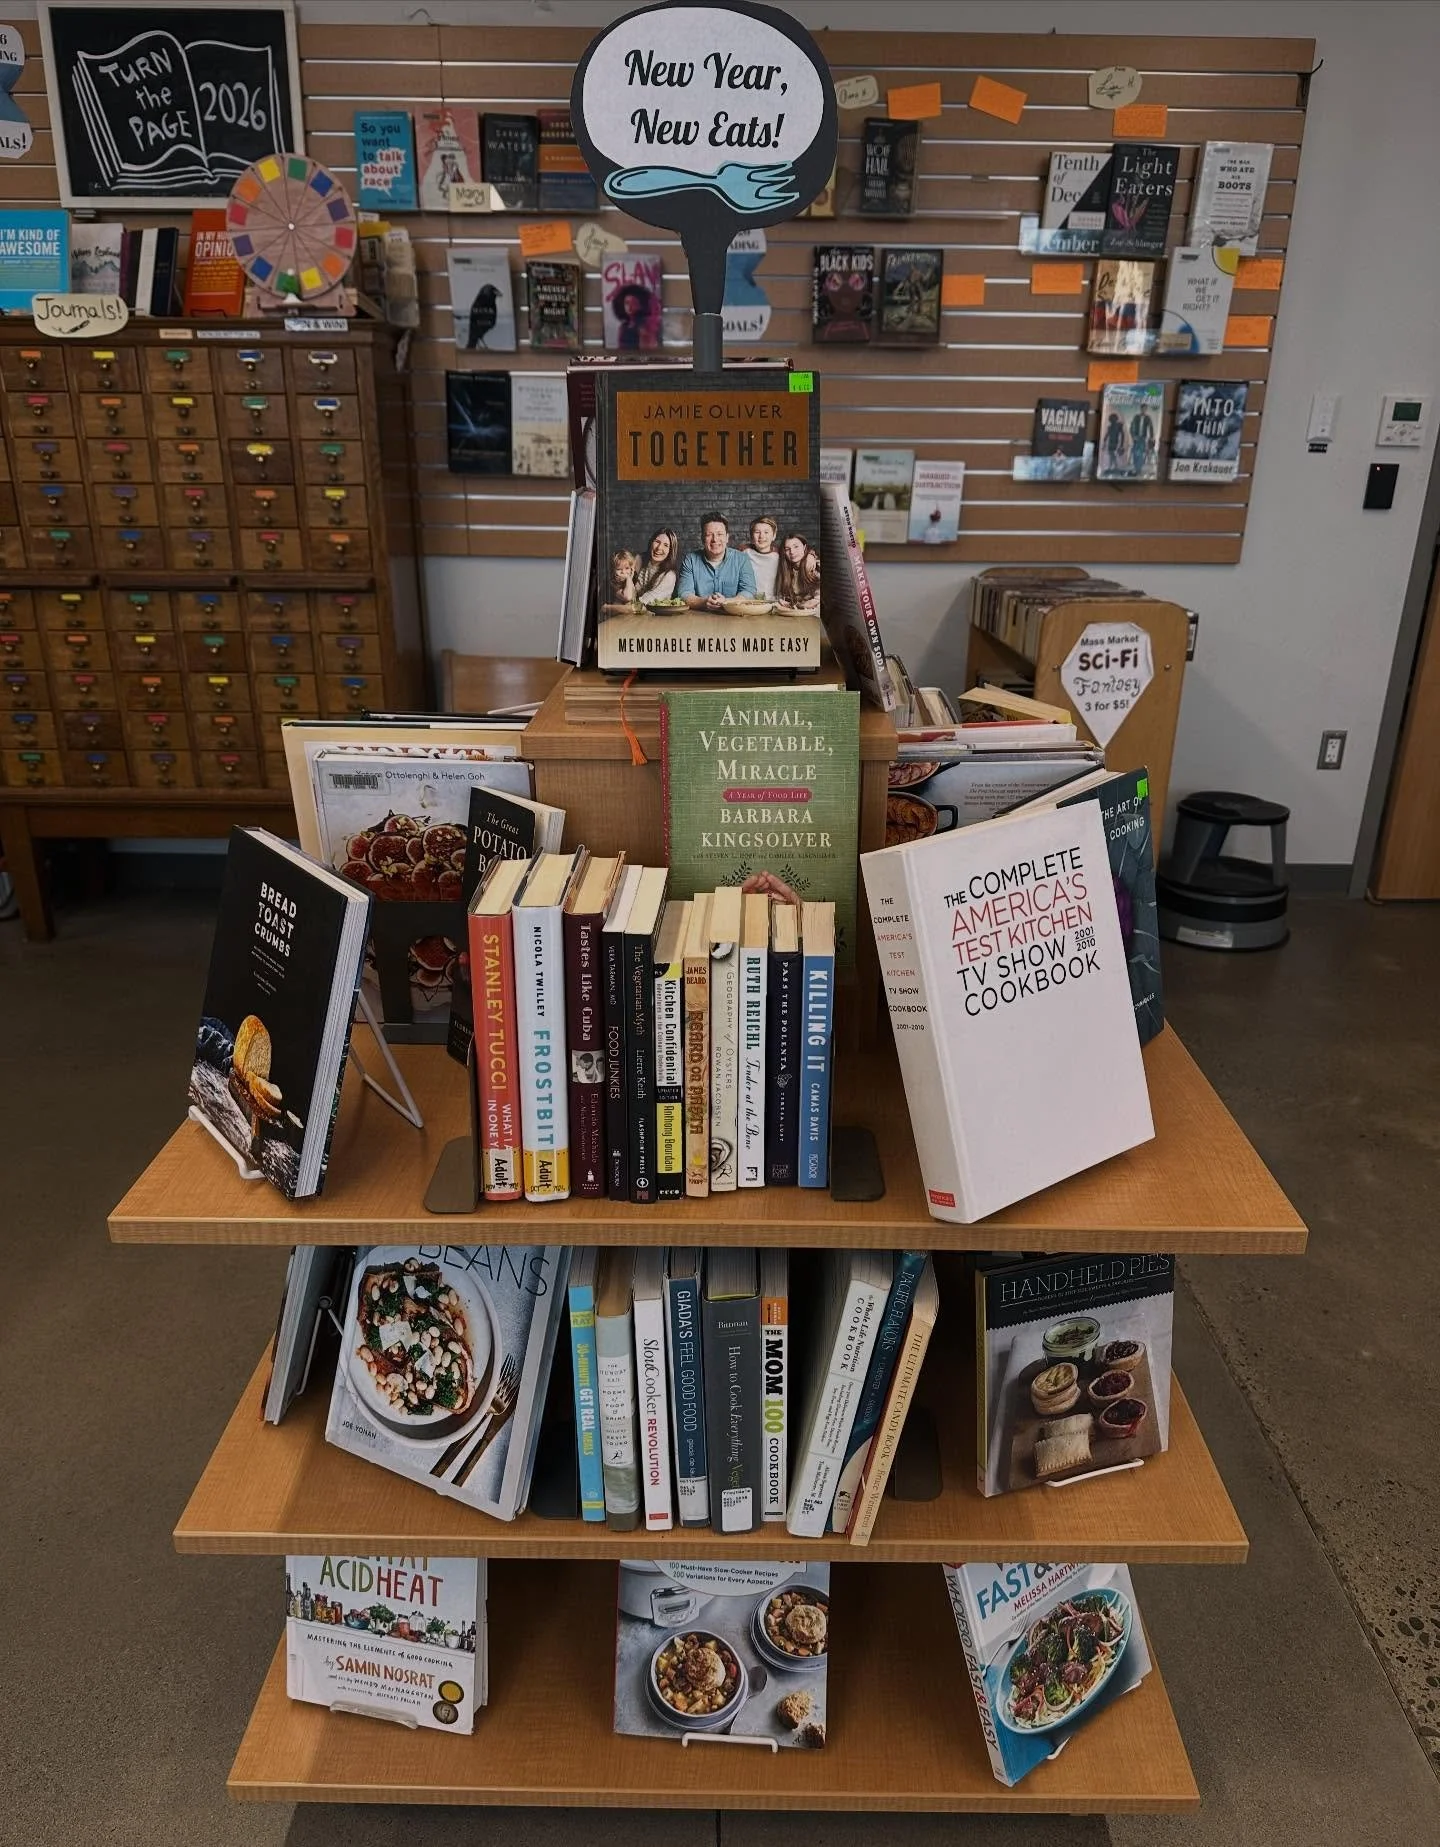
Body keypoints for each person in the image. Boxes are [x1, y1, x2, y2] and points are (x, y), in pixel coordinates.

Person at [676, 514, 757, 608]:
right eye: (709, 535)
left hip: (734, 617)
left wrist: (726, 602)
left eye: (720, 534)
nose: (715, 539)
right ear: (702, 538)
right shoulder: (690, 560)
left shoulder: (742, 559)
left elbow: (749, 591)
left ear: (727, 537)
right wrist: (703, 602)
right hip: (699, 618)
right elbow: (683, 593)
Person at [633, 529, 680, 604]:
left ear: (670, 551)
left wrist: (608, 607)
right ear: (651, 543)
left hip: (654, 614)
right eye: (657, 542)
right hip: (631, 611)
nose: (659, 548)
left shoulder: (669, 576)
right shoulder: (639, 560)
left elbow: (642, 604)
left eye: (666, 545)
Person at [744, 514, 781, 600]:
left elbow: (799, 553)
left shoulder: (780, 555)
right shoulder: (744, 552)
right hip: (749, 603)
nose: (762, 536)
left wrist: (811, 555)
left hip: (773, 603)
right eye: (757, 532)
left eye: (766, 532)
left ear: (774, 535)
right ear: (752, 537)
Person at [774, 532, 813, 611]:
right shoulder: (786, 569)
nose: (792, 552)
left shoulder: (813, 565)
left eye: (796, 547)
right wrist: (782, 601)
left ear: (804, 547)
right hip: (795, 612)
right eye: (787, 549)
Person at [611, 283, 655, 350]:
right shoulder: (623, 327)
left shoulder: (644, 327)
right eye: (627, 303)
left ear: (641, 304)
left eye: (634, 303)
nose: (630, 306)